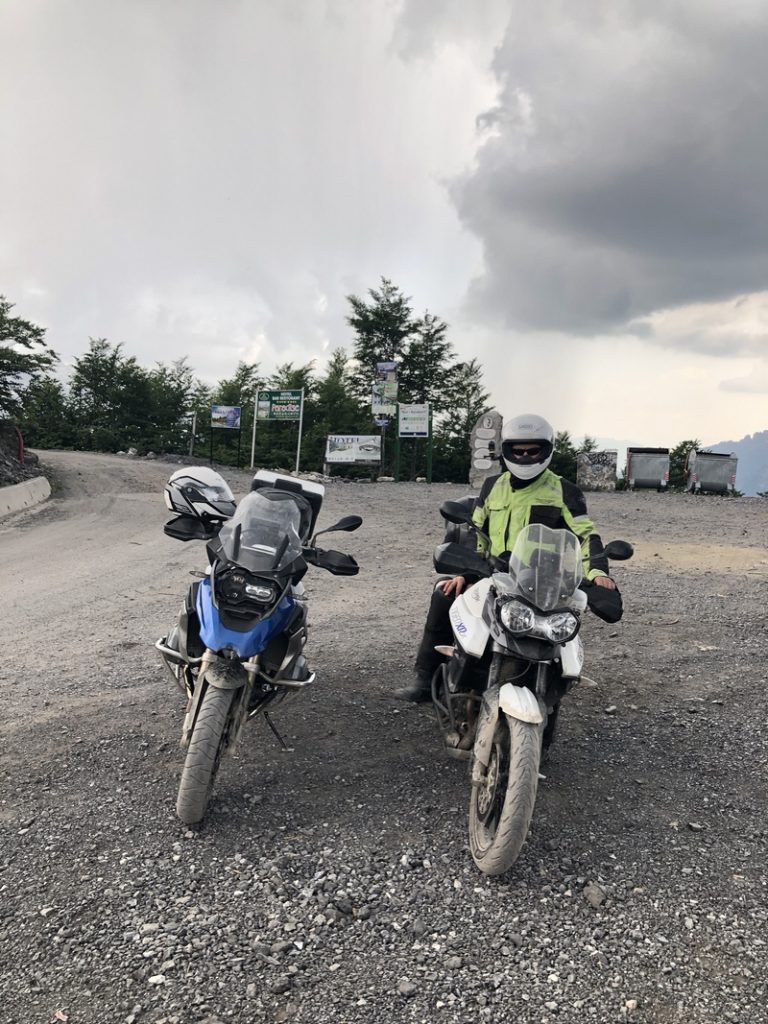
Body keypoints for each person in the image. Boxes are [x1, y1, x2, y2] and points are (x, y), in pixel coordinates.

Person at [394, 413, 620, 702]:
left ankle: (552, 685)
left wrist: (598, 573)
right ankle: (426, 680)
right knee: (444, 594)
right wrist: (466, 572)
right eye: (518, 450)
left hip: (541, 580)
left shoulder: (565, 491)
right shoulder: (492, 486)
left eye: (532, 451)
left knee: (561, 631)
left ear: (547, 450)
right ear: (506, 450)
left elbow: (585, 535)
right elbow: (475, 531)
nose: (524, 456)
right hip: (493, 573)